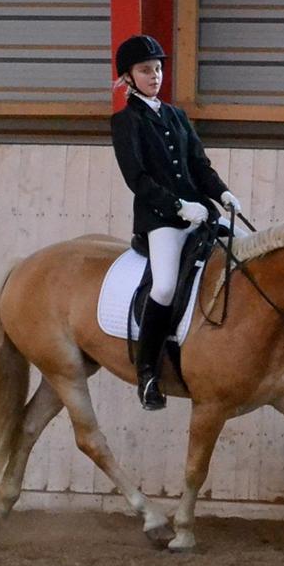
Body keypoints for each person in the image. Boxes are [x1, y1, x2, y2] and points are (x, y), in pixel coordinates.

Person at [111, 34, 242, 411]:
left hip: (201, 213)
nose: (154, 76)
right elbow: (137, 178)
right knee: (165, 286)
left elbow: (199, 165)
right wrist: (178, 206)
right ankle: (149, 373)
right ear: (128, 77)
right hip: (162, 220)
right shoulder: (125, 122)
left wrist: (222, 193)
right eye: (145, 70)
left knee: (240, 258)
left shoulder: (176, 116)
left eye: (157, 69)